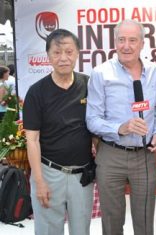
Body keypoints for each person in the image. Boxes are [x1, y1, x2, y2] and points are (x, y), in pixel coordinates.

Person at [86, 19, 156, 235]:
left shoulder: (154, 71)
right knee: (112, 221)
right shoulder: (101, 73)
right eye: (121, 40)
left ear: (142, 43)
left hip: (144, 156)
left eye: (132, 40)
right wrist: (120, 127)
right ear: (115, 42)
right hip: (111, 155)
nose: (126, 46)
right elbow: (91, 119)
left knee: (145, 221)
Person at [23, 29, 94, 235]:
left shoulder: (88, 84)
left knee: (81, 230)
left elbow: (97, 129)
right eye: (57, 52)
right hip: (49, 172)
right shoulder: (36, 92)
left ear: (78, 53)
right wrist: (39, 180)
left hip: (82, 175)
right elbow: (32, 140)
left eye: (69, 52)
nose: (63, 58)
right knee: (48, 231)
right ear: (48, 56)